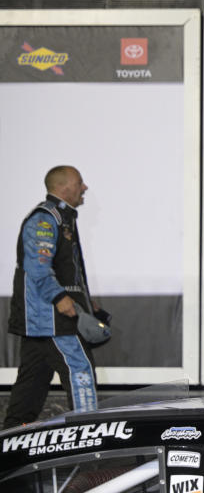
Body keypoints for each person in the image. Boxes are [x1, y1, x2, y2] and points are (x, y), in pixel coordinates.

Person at [3, 166, 104, 428]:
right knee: (80, 371)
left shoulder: (63, 217)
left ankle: (10, 441)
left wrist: (84, 300)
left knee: (31, 384)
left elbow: (64, 269)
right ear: (64, 187)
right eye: (80, 182)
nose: (85, 188)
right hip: (52, 318)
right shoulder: (46, 219)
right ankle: (88, 437)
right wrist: (60, 299)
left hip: (42, 319)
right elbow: (37, 267)